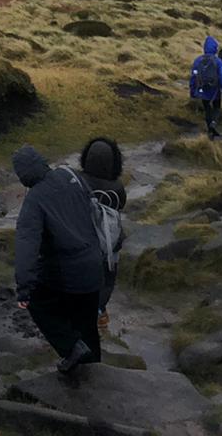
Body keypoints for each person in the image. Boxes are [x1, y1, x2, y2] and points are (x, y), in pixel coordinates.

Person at [13, 145, 105, 375]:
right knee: (86, 325)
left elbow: (27, 247)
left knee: (38, 302)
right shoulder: (69, 174)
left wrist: (24, 288)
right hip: (95, 266)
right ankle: (96, 376)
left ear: (22, 175)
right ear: (43, 161)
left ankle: (72, 348)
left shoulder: (34, 201)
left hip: (68, 274)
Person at [79, 136, 125, 329]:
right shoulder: (117, 189)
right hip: (108, 243)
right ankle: (100, 313)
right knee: (107, 279)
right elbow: (120, 205)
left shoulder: (77, 181)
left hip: (80, 241)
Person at [189, 36, 222, 139]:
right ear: (215, 48)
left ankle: (210, 130)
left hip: (202, 89)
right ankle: (213, 124)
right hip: (215, 90)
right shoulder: (218, 61)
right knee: (216, 107)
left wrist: (192, 92)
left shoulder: (198, 60)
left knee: (207, 108)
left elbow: (193, 77)